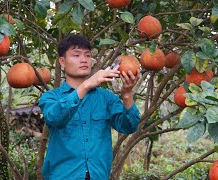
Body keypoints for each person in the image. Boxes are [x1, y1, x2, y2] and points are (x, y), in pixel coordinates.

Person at [39, 34, 141, 180]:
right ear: (62, 61)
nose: (83, 60)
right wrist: (86, 85)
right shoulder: (51, 98)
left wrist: (127, 94)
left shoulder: (106, 98)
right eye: (76, 55)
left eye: (87, 55)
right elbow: (55, 118)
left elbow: (129, 126)